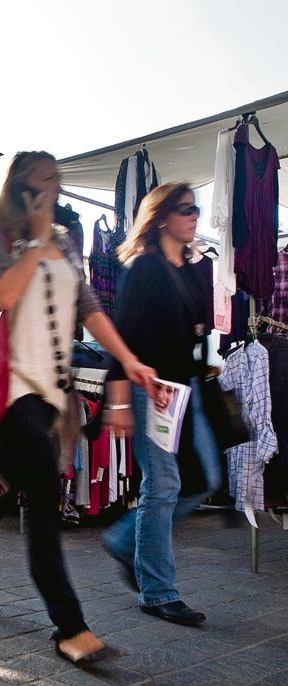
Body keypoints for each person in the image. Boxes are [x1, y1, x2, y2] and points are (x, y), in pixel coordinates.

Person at [0, 151, 157, 666]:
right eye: (46, 179)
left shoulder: (66, 241)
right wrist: (34, 239)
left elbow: (89, 307)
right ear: (20, 188)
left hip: (54, 393)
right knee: (42, 500)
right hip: (9, 390)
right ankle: (69, 627)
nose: (57, 186)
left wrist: (129, 361)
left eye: (58, 178)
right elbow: (3, 295)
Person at [102, 183, 222, 627]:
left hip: (187, 387)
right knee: (165, 485)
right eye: (186, 210)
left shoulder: (191, 268)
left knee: (203, 477)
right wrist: (118, 401)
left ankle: (123, 538)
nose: (194, 216)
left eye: (196, 210)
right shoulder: (144, 268)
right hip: (153, 389)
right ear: (162, 216)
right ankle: (158, 592)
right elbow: (124, 336)